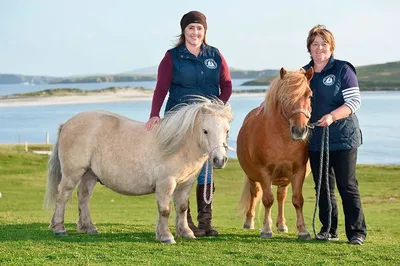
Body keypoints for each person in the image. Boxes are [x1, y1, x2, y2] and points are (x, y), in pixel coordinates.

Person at [256, 25, 367, 245]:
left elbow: (354, 102)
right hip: (315, 140)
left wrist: (332, 116)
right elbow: (284, 97)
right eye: (315, 44)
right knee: (323, 187)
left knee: (347, 185)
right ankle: (328, 229)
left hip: (343, 137)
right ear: (309, 48)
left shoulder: (343, 69)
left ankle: (356, 232)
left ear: (331, 46)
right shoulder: (302, 73)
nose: (319, 48)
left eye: (324, 44)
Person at [145, 11, 232, 237]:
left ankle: (206, 221)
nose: (195, 33)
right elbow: (161, 88)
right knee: (179, 170)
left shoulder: (215, 55)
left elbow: (227, 85)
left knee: (204, 172)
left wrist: (217, 110)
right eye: (191, 28)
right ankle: (186, 221)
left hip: (207, 123)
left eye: (199, 29)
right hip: (179, 122)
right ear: (184, 31)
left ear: (205, 32)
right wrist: (154, 114)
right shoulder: (172, 56)